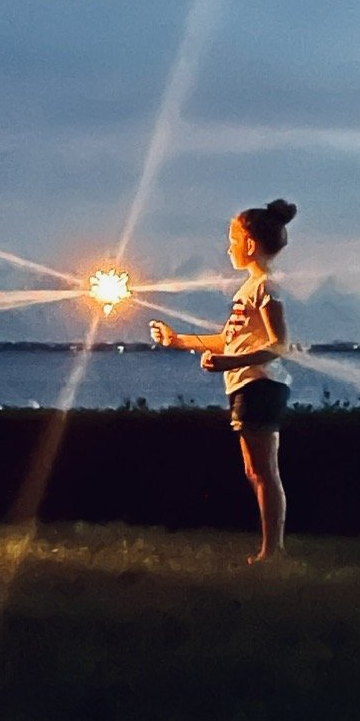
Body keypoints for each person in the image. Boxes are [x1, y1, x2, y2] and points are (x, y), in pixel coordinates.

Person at [150, 198, 296, 562]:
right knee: (255, 470)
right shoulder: (248, 290)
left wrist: (231, 361)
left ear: (250, 244)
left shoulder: (266, 289)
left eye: (232, 239)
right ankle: (269, 549)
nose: (228, 247)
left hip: (261, 384)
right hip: (247, 384)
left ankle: (272, 552)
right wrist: (177, 340)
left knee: (264, 471)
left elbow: (279, 346)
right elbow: (229, 338)